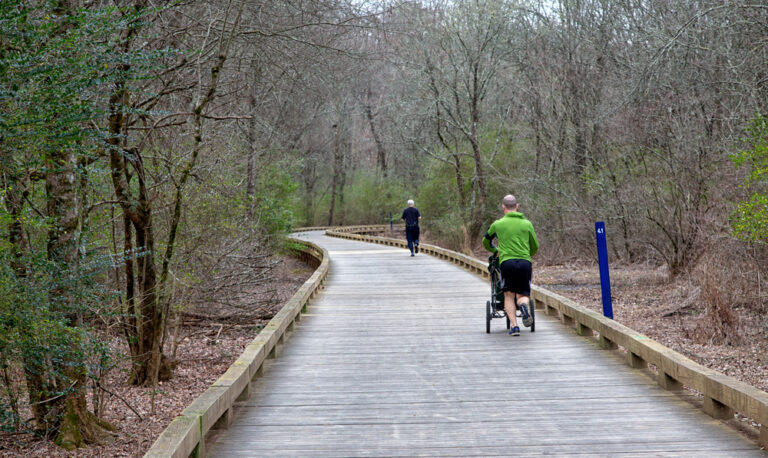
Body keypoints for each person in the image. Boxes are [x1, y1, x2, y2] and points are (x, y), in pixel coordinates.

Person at [483, 194, 539, 336]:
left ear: (503, 207)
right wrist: (527, 254)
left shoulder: (497, 224)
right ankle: (524, 307)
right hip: (524, 262)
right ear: (517, 206)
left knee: (509, 295)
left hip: (507, 263)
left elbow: (485, 240)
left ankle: (514, 326)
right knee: (522, 294)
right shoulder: (527, 224)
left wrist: (495, 250)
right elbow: (535, 246)